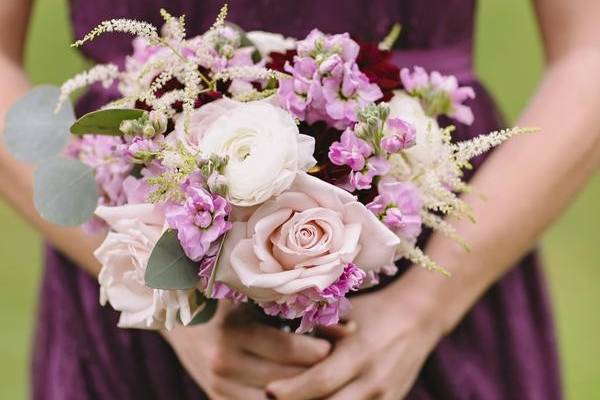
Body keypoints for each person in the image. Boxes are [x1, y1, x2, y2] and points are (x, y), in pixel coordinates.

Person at [1, 0, 598, 399]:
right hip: (140, 229)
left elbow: (588, 52)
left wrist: (422, 310)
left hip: (431, 255)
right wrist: (165, 297)